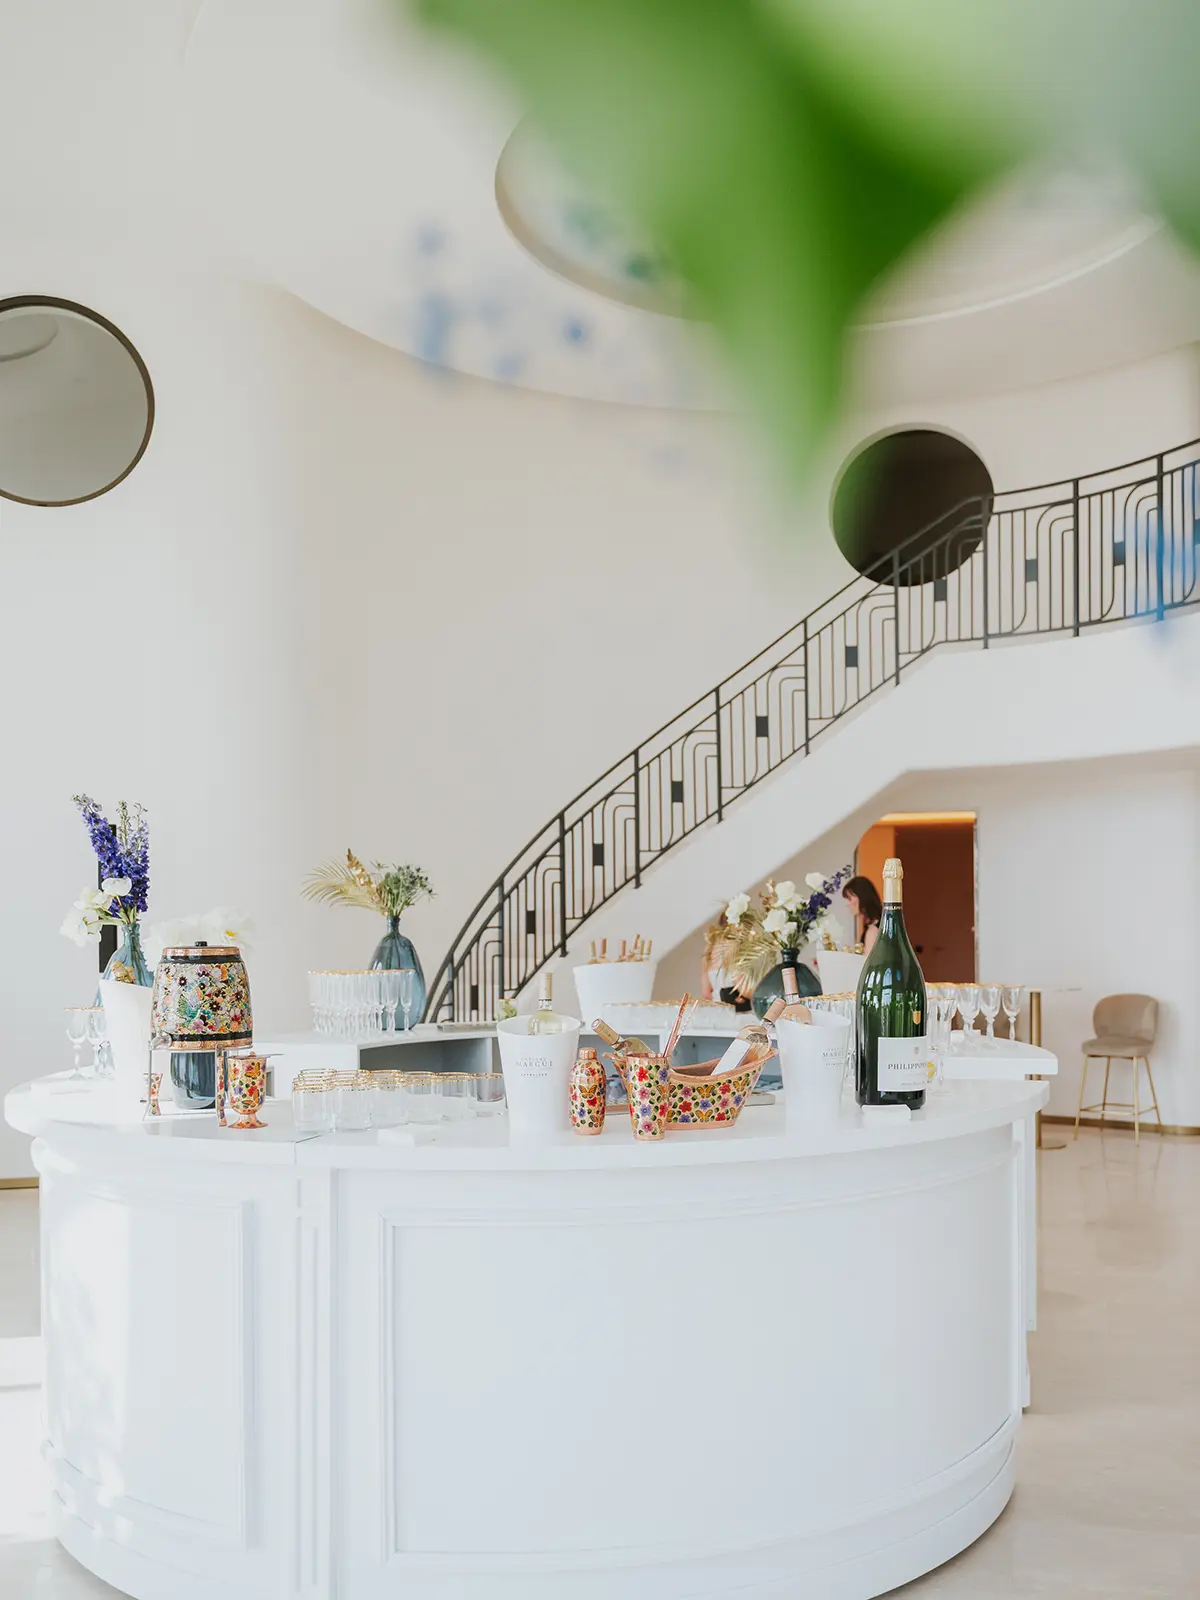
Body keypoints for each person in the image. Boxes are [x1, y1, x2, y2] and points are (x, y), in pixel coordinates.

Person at [700, 919, 752, 1012]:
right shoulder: (733, 946)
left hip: (717, 1009)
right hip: (737, 1010)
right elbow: (742, 987)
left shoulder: (709, 948)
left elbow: (706, 993)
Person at [842, 875, 882, 955]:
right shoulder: (876, 924)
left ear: (862, 897)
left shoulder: (873, 931)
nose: (848, 904)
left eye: (850, 899)